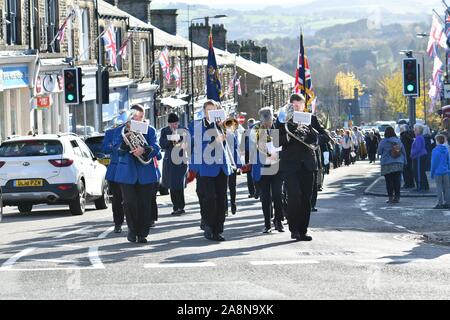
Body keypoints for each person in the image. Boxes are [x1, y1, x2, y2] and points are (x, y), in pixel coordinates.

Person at [275, 93, 330, 241]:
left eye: (299, 105)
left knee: (306, 198)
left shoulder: (311, 119)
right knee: (294, 195)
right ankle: (294, 229)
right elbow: (275, 141)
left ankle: (303, 230)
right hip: (290, 165)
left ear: (304, 106)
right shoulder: (282, 120)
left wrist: (313, 137)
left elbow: (325, 136)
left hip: (308, 164)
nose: (296, 107)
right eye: (293, 105)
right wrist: (288, 135)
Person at [114, 104, 161, 244]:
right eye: (135, 117)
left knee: (145, 204)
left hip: (146, 173)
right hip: (127, 173)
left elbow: (157, 149)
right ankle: (132, 230)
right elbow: (117, 151)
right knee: (129, 203)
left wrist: (144, 150)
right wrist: (125, 141)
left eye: (141, 117)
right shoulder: (121, 131)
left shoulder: (150, 130)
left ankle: (142, 233)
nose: (138, 119)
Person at [191, 100, 234, 242]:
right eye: (208, 110)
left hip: (222, 166)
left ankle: (218, 230)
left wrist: (225, 128)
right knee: (209, 198)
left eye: (214, 110)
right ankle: (209, 225)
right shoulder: (198, 126)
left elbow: (234, 139)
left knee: (221, 199)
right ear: (204, 112)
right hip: (206, 167)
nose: (211, 113)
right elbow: (198, 148)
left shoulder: (222, 124)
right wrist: (215, 141)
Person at [250, 107, 284, 234]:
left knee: (278, 195)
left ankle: (278, 221)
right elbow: (251, 147)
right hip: (262, 167)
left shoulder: (278, 127)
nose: (267, 124)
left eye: (269, 121)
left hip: (276, 167)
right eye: (265, 122)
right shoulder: (256, 129)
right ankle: (267, 223)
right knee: (265, 197)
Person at [159, 113, 189, 216]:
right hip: (169, 161)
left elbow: (188, 143)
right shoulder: (164, 131)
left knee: (179, 184)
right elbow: (162, 144)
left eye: (175, 124)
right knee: (172, 185)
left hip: (181, 160)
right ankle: (176, 207)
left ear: (178, 123)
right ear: (168, 124)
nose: (174, 126)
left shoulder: (183, 130)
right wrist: (170, 138)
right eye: (172, 124)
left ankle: (181, 206)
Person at [102, 121, 125, 233]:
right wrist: (114, 146)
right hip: (115, 169)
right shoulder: (111, 132)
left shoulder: (139, 130)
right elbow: (105, 148)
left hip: (132, 169)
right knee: (117, 199)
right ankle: (118, 223)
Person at [377, 127, 406, 204]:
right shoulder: (398, 141)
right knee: (397, 181)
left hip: (387, 164)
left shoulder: (383, 142)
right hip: (398, 163)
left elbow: (379, 151)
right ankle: (397, 197)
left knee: (389, 181)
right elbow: (403, 151)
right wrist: (405, 161)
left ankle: (390, 198)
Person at [430, 135, 450, 209]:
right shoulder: (446, 149)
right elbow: (448, 161)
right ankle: (448, 202)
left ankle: (440, 203)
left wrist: (432, 173)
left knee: (439, 188)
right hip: (446, 171)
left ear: (437, 141)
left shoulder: (435, 150)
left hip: (438, 172)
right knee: (447, 188)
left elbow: (434, 163)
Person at [244, 118, 260, 199]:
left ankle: (256, 191)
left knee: (254, 174)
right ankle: (255, 191)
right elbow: (245, 146)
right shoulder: (246, 132)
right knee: (252, 175)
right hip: (251, 155)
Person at [411, 124, 430, 192]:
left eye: (415, 129)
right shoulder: (419, 137)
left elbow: (418, 148)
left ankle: (421, 187)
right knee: (421, 172)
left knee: (418, 172)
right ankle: (424, 186)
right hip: (420, 156)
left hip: (419, 156)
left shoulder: (419, 137)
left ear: (418, 130)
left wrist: (412, 154)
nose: (414, 131)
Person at [399, 125, 415, 189]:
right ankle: (411, 183)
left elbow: (403, 147)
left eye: (401, 129)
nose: (400, 130)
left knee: (405, 171)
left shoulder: (403, 136)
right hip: (410, 155)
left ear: (403, 129)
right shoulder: (410, 135)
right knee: (410, 170)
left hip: (405, 155)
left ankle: (407, 184)